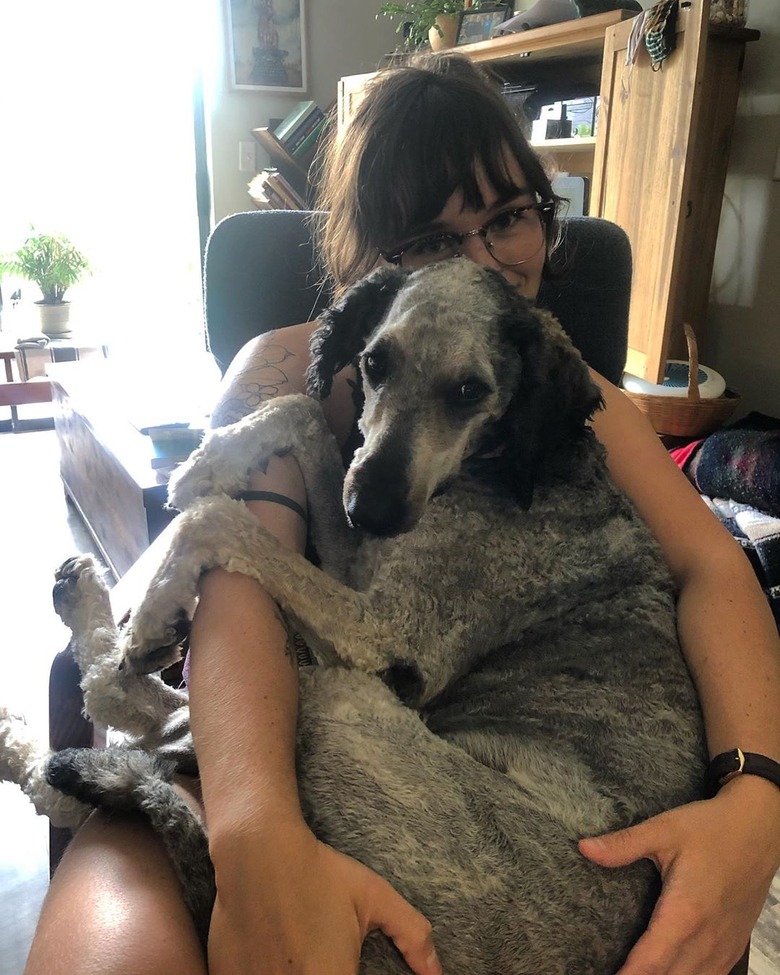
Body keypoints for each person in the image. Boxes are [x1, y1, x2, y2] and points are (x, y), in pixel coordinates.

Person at [25, 52, 780, 975]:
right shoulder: (279, 367)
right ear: (366, 259)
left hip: (508, 794)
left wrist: (758, 800)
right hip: (272, 731)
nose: (484, 264)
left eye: (507, 217)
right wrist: (257, 835)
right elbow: (241, 603)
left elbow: (715, 566)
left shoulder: (568, 394)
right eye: (428, 238)